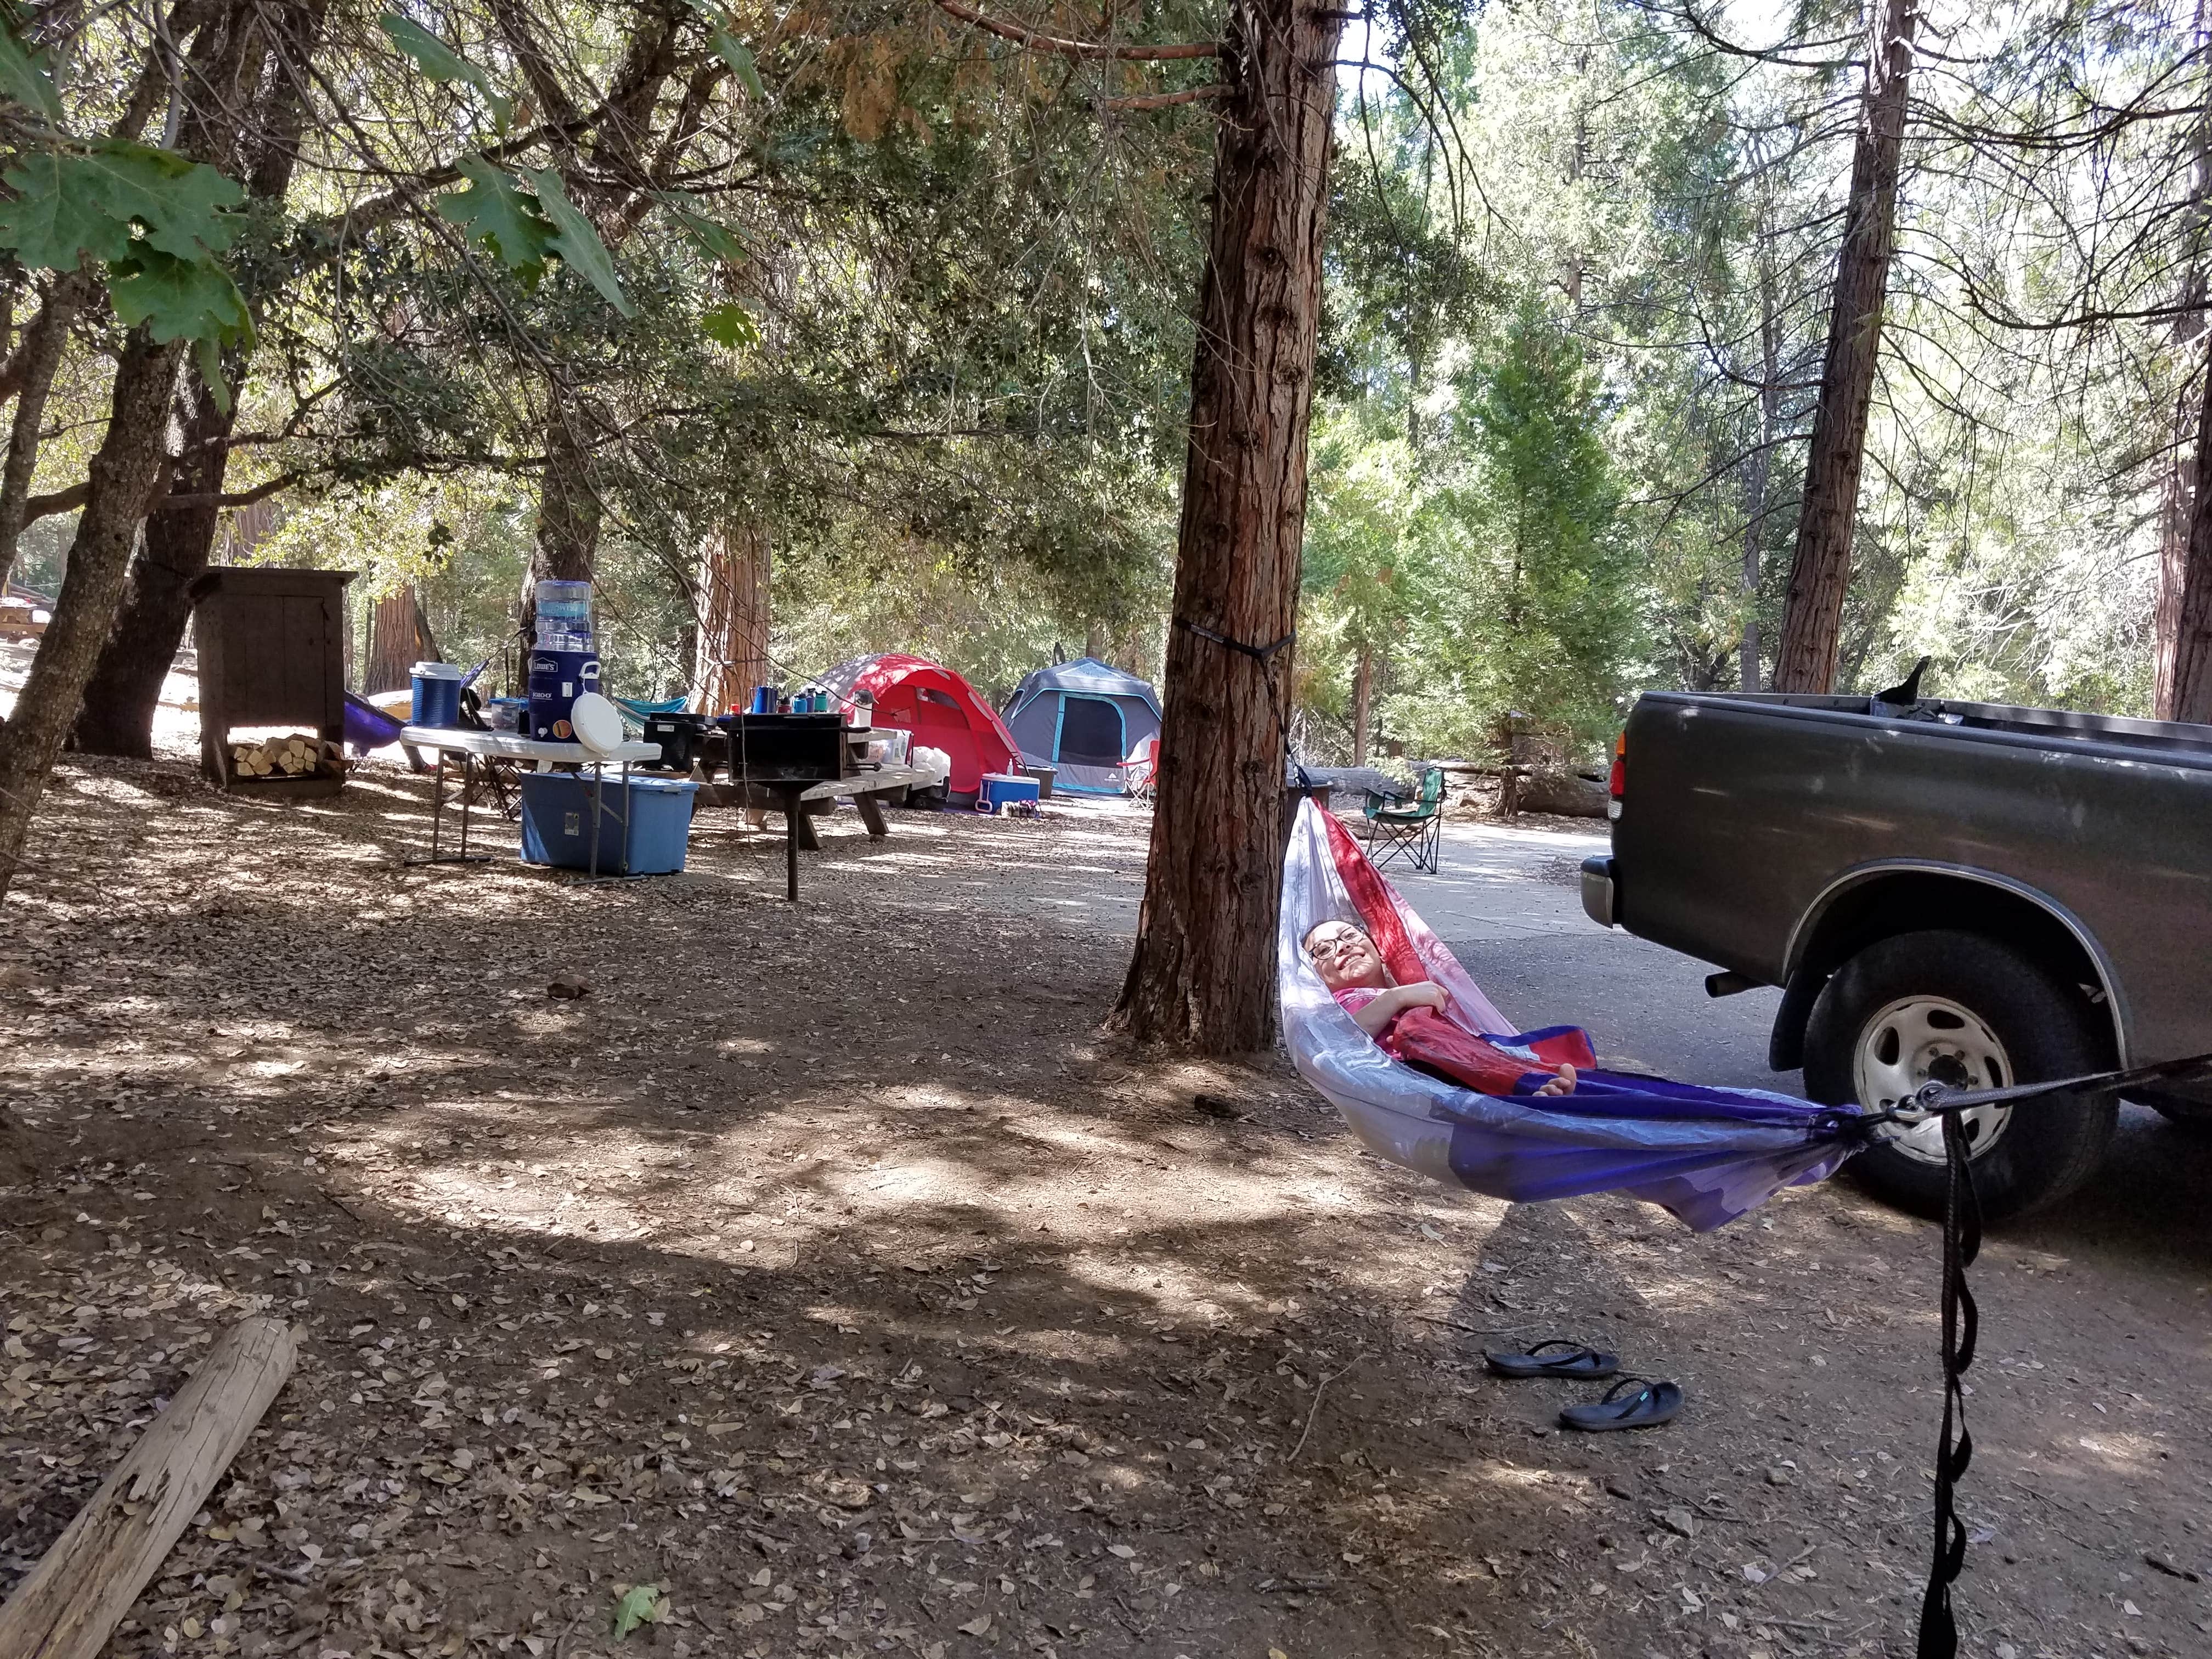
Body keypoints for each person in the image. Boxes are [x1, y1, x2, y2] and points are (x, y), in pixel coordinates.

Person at [1303, 919, 1582, 1098]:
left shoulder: (1410, 979)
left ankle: (1536, 1085)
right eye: (1325, 950)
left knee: (1505, 1052)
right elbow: (1339, 1041)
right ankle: (1526, 1097)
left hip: (1453, 1058)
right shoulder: (1338, 1004)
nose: (1342, 948)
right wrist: (1396, 998)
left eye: (1349, 935)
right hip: (1406, 1075)